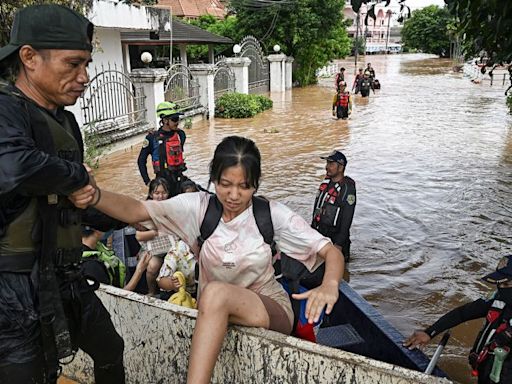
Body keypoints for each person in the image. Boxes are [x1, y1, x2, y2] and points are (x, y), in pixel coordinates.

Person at [69, 135, 345, 384]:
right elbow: (138, 210)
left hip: (267, 307)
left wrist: (330, 283)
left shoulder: (271, 215)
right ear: (213, 180)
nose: (234, 195)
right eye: (225, 185)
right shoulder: (198, 209)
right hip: (214, 308)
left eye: (244, 186)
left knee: (214, 294)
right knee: (214, 296)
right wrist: (95, 195)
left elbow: (331, 251)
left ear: (255, 185)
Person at [0, 5, 125, 383]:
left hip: (64, 274)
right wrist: (75, 177)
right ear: (29, 57)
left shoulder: (65, 120)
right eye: (72, 64)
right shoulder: (6, 108)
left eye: (86, 64)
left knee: (108, 349)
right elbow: (13, 167)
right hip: (13, 284)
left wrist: (139, 214)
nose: (84, 77)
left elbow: (74, 202)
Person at [403, 255, 512, 384]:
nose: (500, 288)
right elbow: (463, 313)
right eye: (498, 284)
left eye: (506, 283)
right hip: (488, 373)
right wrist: (429, 332)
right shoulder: (498, 300)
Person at [312, 150, 356, 262]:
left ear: (341, 168)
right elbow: (317, 209)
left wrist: (339, 244)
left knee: (339, 274)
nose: (327, 167)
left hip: (336, 239)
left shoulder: (347, 189)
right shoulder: (326, 184)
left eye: (331, 164)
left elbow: (347, 218)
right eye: (327, 163)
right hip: (321, 236)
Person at [137, 101, 187, 197]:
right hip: (162, 186)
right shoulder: (152, 138)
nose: (177, 122)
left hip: (178, 182)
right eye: (174, 119)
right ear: (164, 120)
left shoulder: (181, 135)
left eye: (178, 119)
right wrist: (147, 182)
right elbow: (141, 161)